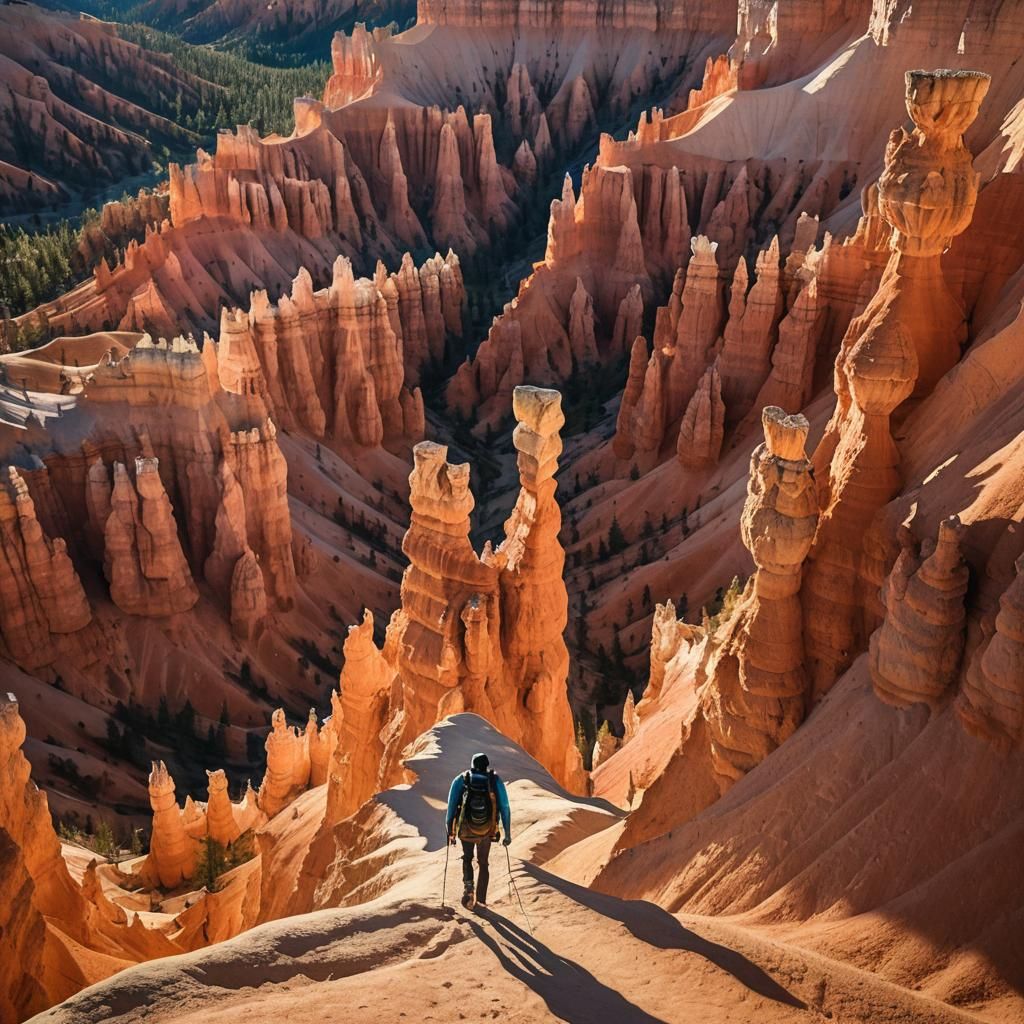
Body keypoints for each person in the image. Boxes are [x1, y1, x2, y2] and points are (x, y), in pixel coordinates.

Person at [445, 752, 511, 908]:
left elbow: (451, 807)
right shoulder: (494, 781)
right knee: (483, 863)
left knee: (467, 858)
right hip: (487, 830)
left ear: (472, 765)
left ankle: (469, 888)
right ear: (486, 765)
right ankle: (480, 901)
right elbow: (505, 807)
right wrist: (507, 834)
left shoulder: (462, 779)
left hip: (466, 829)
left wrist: (450, 831)